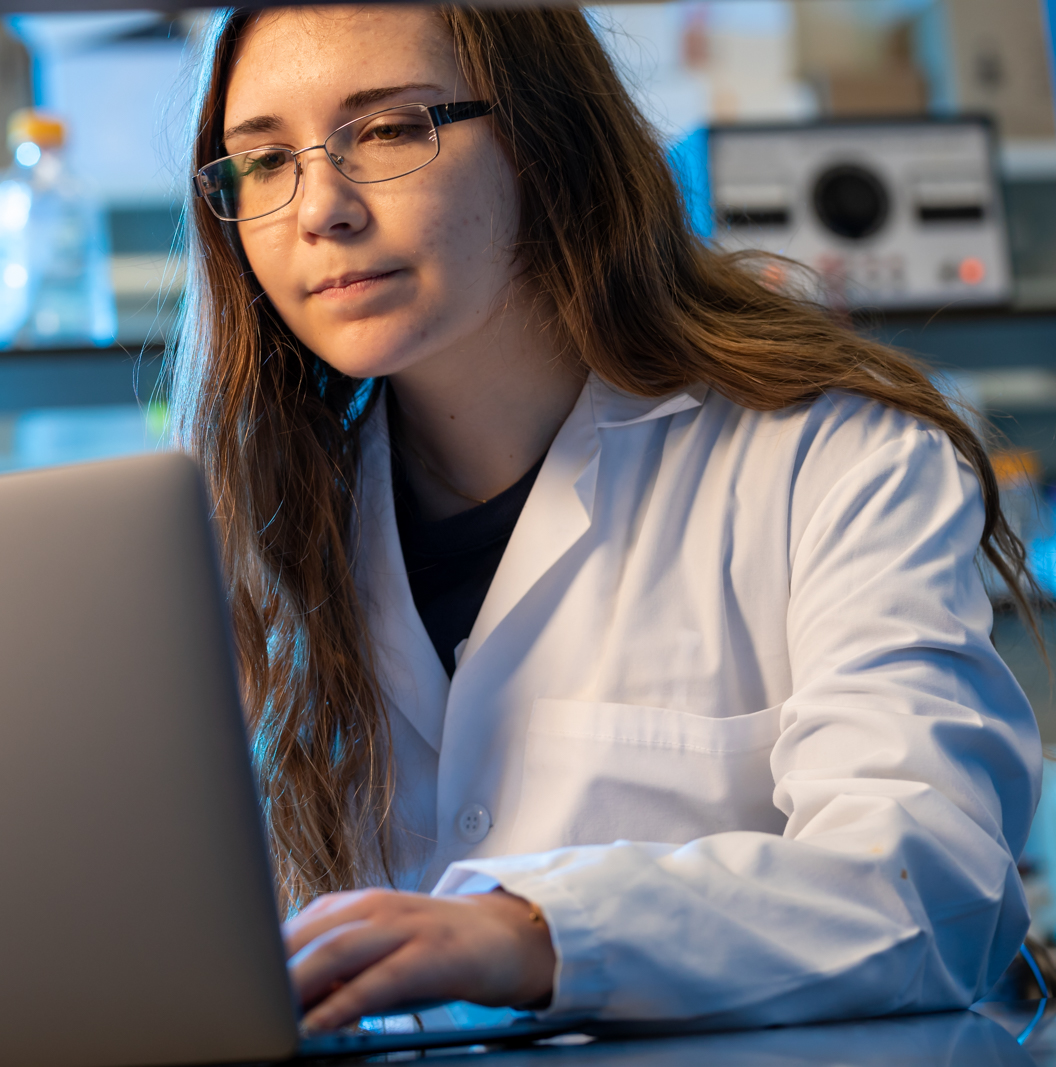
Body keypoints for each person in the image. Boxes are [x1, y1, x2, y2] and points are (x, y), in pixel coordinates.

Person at [166, 3, 1044, 1034]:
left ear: (549, 141)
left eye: (390, 129)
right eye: (263, 161)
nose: (319, 209)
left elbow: (930, 891)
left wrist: (529, 932)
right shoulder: (243, 535)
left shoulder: (831, 461)